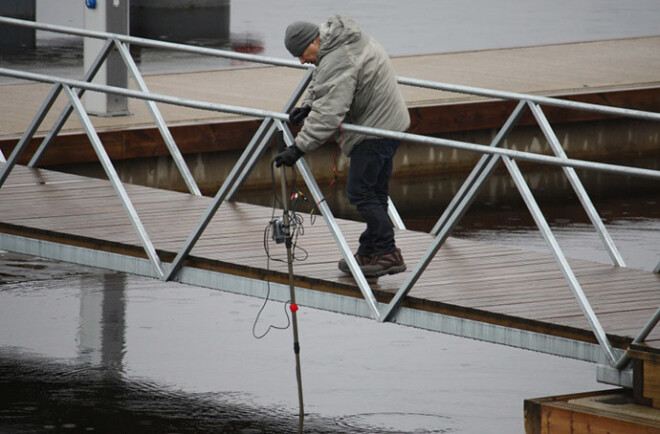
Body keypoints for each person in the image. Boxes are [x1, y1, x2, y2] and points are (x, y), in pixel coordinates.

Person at [275, 15, 410, 278]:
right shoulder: (337, 43)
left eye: (302, 54)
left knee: (360, 192)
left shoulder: (339, 56)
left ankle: (388, 253)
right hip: (390, 125)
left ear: (314, 40)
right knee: (375, 192)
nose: (302, 61)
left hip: (376, 131)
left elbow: (330, 112)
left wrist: (298, 148)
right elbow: (323, 81)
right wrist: (307, 105)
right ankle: (370, 250)